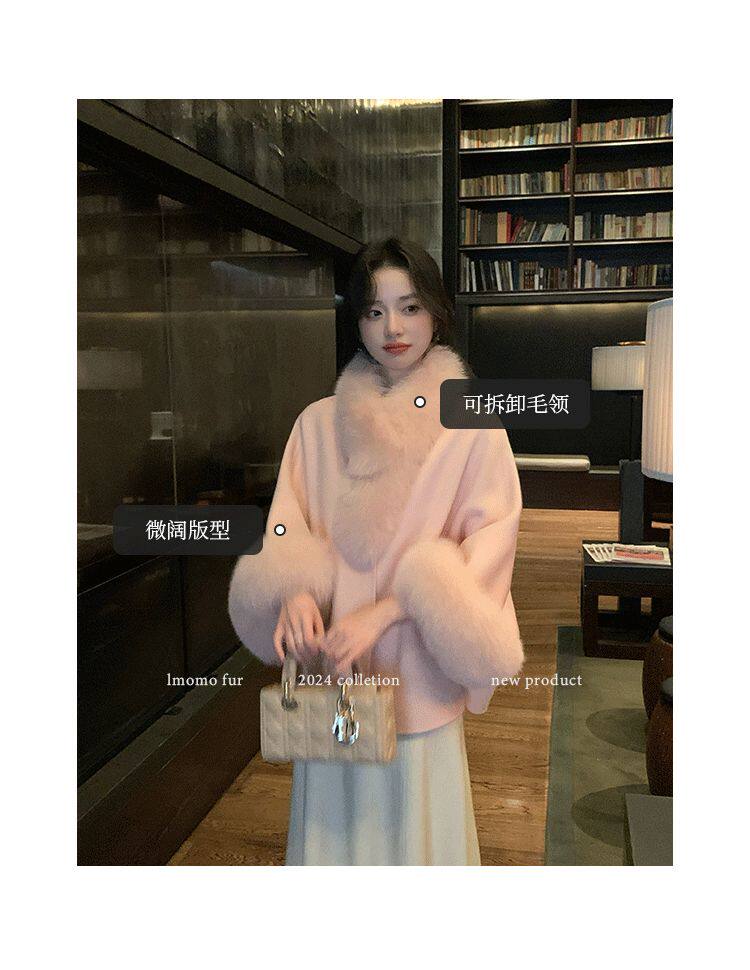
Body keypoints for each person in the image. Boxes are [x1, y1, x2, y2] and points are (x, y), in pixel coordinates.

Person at [228, 236, 524, 865]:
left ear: (437, 313)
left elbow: (491, 545)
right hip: (334, 673)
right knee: (334, 828)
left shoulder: (473, 425)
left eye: (410, 307)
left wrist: (388, 611)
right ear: (357, 319)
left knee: (416, 832)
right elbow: (285, 526)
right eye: (374, 310)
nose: (392, 328)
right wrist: (294, 588)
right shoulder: (315, 423)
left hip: (418, 670)